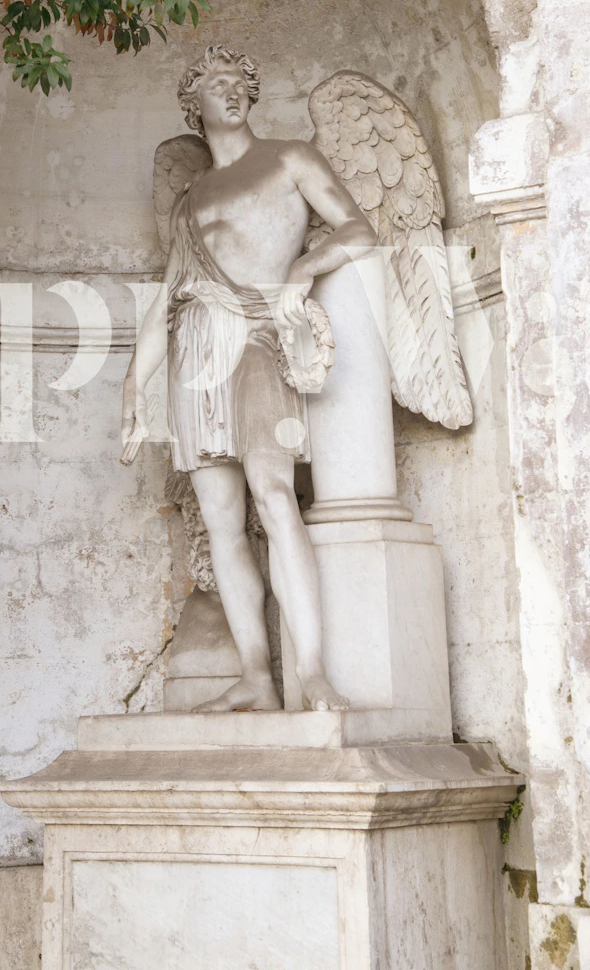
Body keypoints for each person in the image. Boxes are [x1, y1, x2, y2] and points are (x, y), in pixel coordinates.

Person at [121, 46, 377, 711]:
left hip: (257, 334)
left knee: (274, 493)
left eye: (240, 82)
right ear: (193, 104)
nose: (231, 92)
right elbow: (168, 296)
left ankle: (313, 672)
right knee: (219, 519)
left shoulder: (289, 158)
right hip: (194, 347)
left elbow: (358, 228)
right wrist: (132, 387)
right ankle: (258, 679)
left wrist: (303, 268)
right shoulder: (188, 198)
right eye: (216, 84)